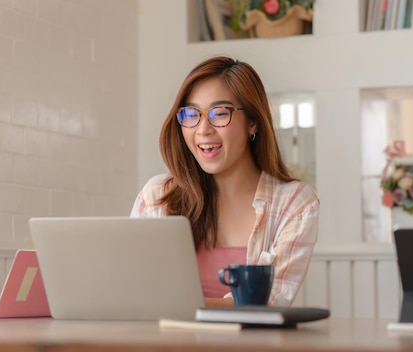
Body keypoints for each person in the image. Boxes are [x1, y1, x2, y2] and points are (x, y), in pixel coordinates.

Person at [130, 56, 320, 307]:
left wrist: (172, 304)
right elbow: (131, 285)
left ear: (253, 122)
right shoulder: (158, 196)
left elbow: (268, 303)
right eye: (191, 114)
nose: (203, 129)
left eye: (220, 113)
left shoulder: (294, 203)